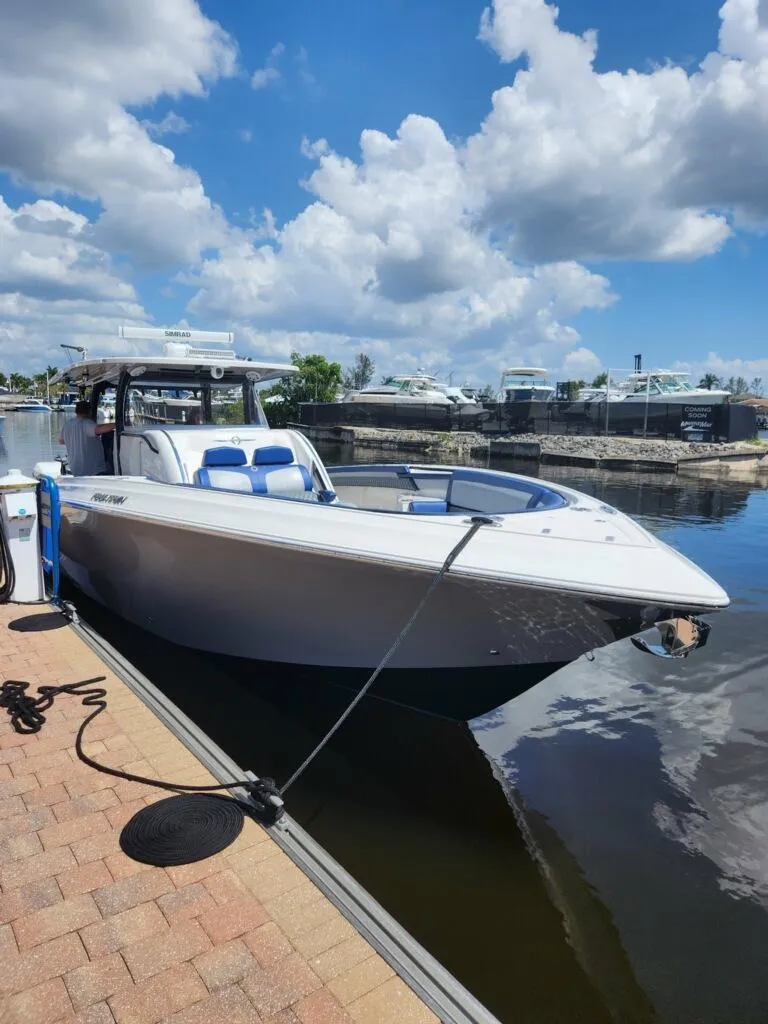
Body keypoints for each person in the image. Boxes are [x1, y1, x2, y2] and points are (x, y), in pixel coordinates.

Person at [59, 401, 115, 476]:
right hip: (91, 470)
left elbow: (61, 441)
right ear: (89, 411)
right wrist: (117, 424)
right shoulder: (87, 423)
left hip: (74, 468)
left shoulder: (67, 424)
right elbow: (98, 429)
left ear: (76, 411)